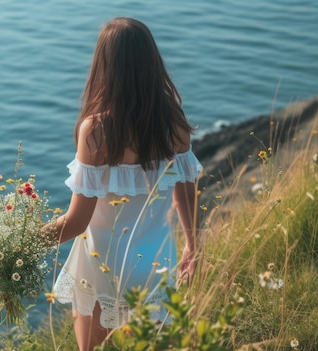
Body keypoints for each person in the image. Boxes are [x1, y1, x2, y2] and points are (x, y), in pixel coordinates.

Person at [46, 17, 202, 351]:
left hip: (103, 262)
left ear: (103, 66)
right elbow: (185, 192)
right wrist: (193, 244)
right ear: (152, 62)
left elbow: (75, 223)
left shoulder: (98, 130)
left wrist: (21, 242)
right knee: (156, 344)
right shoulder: (174, 121)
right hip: (156, 258)